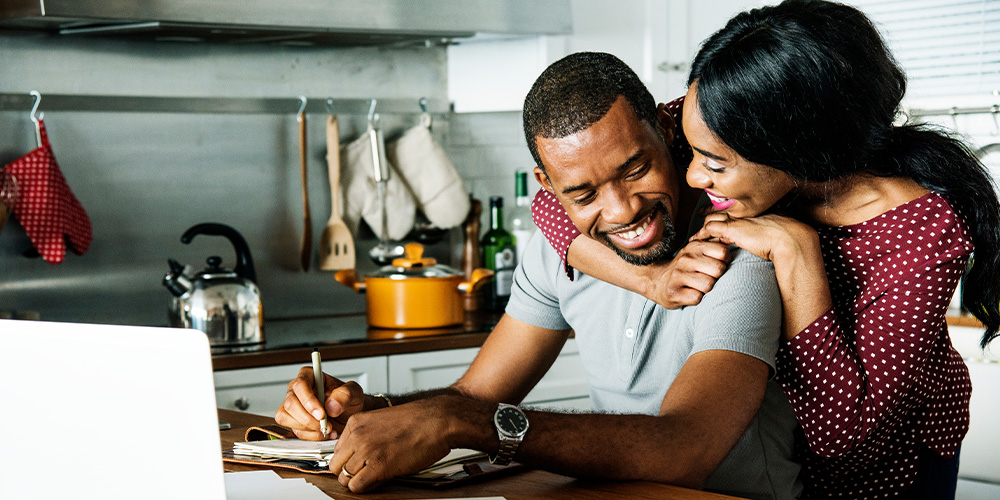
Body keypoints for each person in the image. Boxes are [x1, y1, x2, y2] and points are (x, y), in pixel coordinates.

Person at [275, 51, 803, 499]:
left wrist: (463, 423)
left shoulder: (736, 250)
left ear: (667, 130)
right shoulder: (556, 254)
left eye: (635, 169)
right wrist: (370, 412)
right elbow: (477, 395)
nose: (620, 211)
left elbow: (685, 448)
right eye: (583, 193)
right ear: (546, 186)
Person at [530, 1, 1000, 498]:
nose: (691, 174)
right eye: (693, 151)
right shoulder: (717, 114)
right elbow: (553, 203)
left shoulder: (921, 233)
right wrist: (651, 281)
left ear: (794, 147)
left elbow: (843, 437)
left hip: (888, 471)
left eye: (713, 162)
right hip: (781, 454)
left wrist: (796, 251)